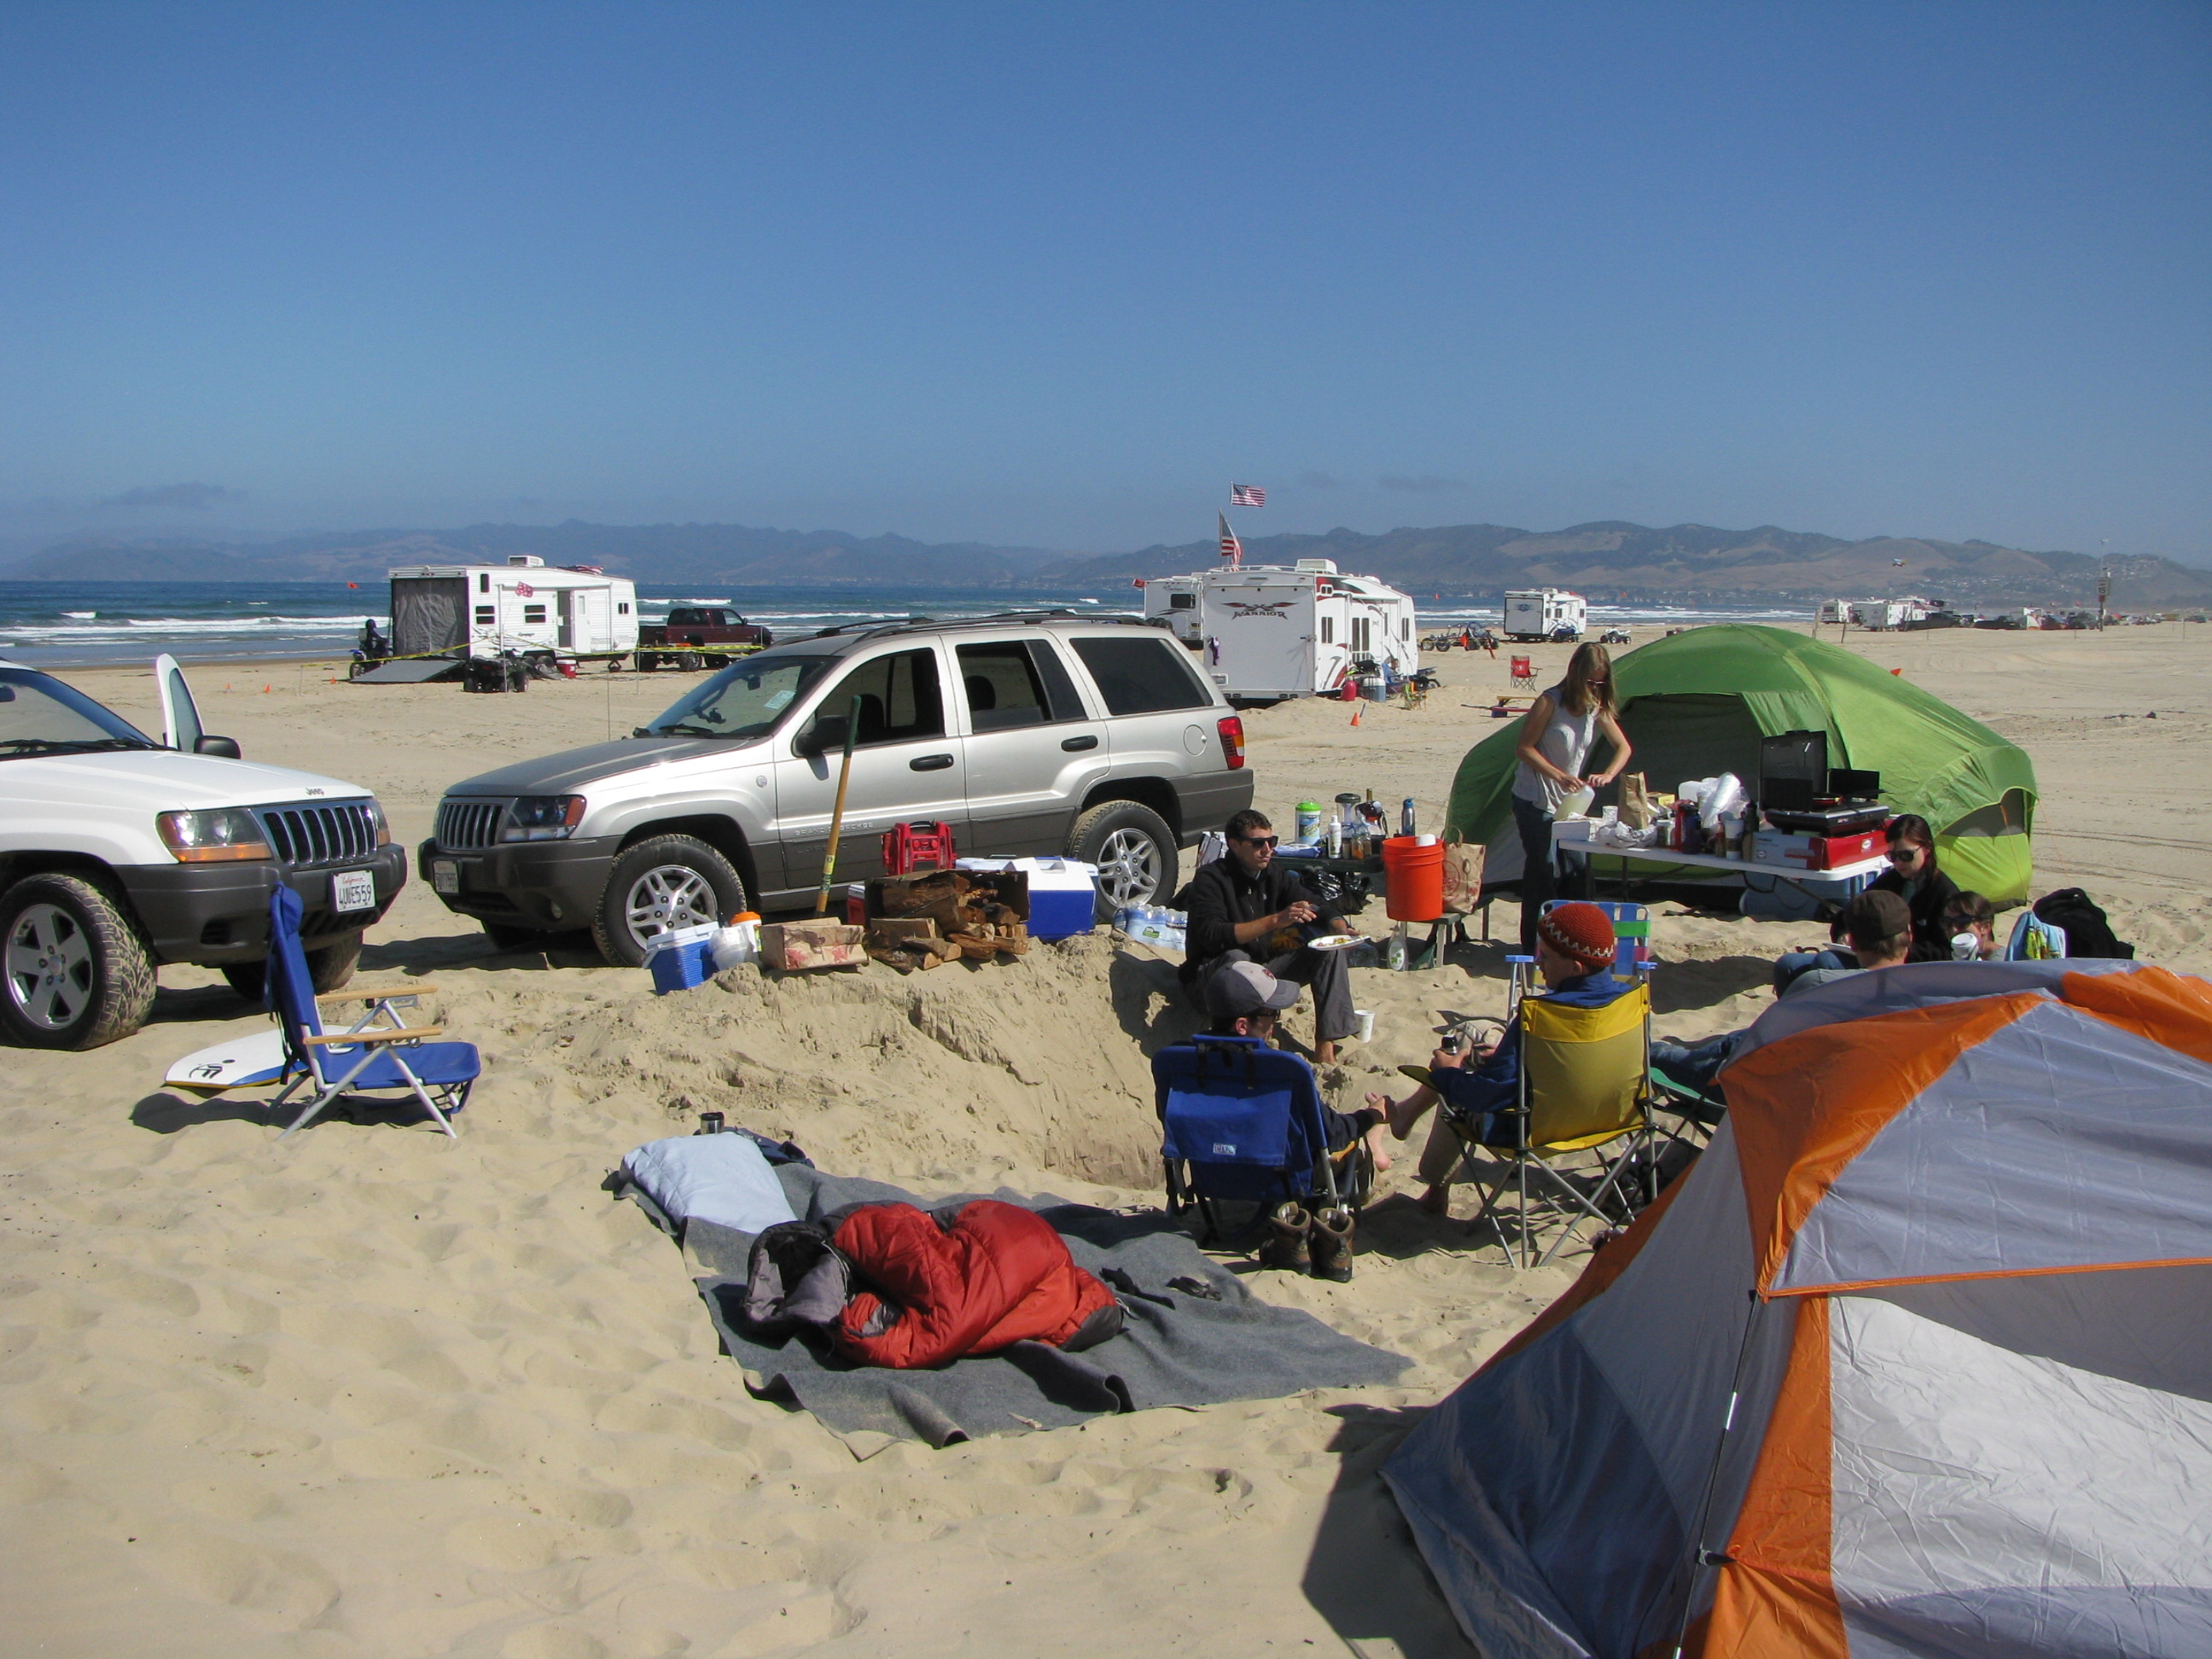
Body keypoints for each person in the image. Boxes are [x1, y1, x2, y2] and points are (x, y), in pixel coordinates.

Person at [1366, 901, 1629, 1216]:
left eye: (1545, 955)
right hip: (1607, 1119)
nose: (1537, 961)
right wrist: (1513, 1057)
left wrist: (1446, 1075)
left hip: (1532, 1129)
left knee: (1460, 1070)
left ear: (1576, 967)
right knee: (1474, 1034)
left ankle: (1436, 1187)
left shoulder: (1543, 1016)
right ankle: (1408, 1113)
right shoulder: (1628, 1005)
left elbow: (1487, 1095)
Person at [1202, 959, 1388, 1278]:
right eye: (1271, 1014)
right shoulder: (1280, 1072)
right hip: (1284, 1174)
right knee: (1354, 1144)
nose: (1276, 1021)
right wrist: (1372, 1116)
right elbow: (1330, 1132)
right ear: (1243, 1026)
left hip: (1216, 1172)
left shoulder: (1183, 1063)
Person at [1653, 889, 1913, 1100]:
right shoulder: (1930, 994)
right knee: (1734, 1039)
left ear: (1852, 943)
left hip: (1775, 1094)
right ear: (1910, 935)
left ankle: (1656, 1051)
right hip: (1872, 1098)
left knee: (1663, 1056)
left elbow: (1766, 1042)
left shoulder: (1821, 985)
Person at [1179, 809, 1356, 1067]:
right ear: (1235, 845)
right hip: (1215, 980)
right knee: (1237, 959)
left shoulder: (1272, 874)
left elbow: (1314, 902)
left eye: (1271, 842)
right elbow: (1213, 936)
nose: (1267, 849)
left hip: (1261, 970)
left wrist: (1338, 924)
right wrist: (1275, 921)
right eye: (1258, 843)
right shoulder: (1211, 878)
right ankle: (1243, 1047)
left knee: (1329, 947)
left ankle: (1325, 1044)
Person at [1510, 643, 1632, 954]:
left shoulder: (1595, 706)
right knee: (1542, 870)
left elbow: (1623, 747)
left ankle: (1572, 939)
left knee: (1577, 869)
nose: (1595, 687)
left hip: (1571, 804)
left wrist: (1607, 774)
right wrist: (1557, 774)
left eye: (1600, 682)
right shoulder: (1550, 702)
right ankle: (1532, 947)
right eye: (1590, 681)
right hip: (1536, 799)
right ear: (1576, 675)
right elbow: (1524, 748)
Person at [1773, 814, 1964, 991]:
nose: (1899, 863)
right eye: (1892, 857)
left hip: (1903, 967)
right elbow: (1849, 913)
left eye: (1906, 855)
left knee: (1827, 961)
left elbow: (1947, 952)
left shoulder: (1943, 892)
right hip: (1867, 954)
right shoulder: (1890, 881)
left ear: (1927, 849)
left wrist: (1896, 947)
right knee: (1787, 965)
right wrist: (1844, 933)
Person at [1943, 890, 1999, 960]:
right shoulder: (1954, 959)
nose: (1953, 930)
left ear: (1985, 926)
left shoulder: (2002, 963)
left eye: (1962, 922)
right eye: (1947, 922)